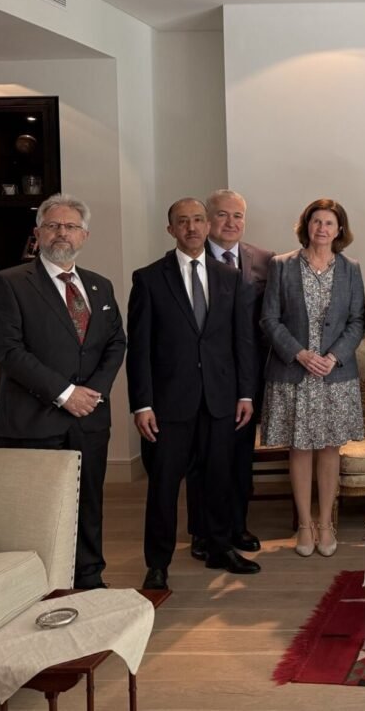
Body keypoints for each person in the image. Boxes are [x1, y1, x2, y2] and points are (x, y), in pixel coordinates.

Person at [0, 193, 126, 589]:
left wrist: (92, 393)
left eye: (70, 227)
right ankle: (39, 585)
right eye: (53, 225)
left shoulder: (99, 286)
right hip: (34, 419)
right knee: (37, 510)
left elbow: (116, 342)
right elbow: (9, 351)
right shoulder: (9, 283)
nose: (61, 233)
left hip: (89, 418)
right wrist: (65, 393)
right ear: (38, 233)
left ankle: (89, 577)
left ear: (84, 235)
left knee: (88, 505)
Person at [127, 198, 259, 591]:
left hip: (221, 398)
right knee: (165, 484)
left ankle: (220, 546)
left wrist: (246, 394)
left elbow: (242, 341)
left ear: (208, 226)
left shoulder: (229, 277)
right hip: (170, 403)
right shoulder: (149, 278)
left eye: (198, 220)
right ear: (170, 229)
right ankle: (158, 562)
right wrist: (142, 403)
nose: (192, 228)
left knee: (220, 477)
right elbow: (141, 348)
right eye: (182, 222)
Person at [261, 198, 364, 557]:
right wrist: (300, 354)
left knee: (330, 448)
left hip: (335, 375)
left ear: (339, 230)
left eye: (329, 223)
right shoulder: (281, 266)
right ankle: (304, 524)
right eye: (316, 222)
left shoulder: (351, 268)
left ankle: (326, 523)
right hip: (295, 372)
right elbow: (269, 319)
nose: (322, 228)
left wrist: (333, 357)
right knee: (300, 448)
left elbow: (357, 321)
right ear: (306, 226)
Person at [185, 189, 274, 560]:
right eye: (222, 215)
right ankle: (202, 532)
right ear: (207, 221)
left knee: (239, 456)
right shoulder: (191, 259)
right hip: (201, 378)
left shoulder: (265, 260)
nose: (230, 223)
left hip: (247, 374)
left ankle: (237, 525)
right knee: (200, 456)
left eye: (237, 216)